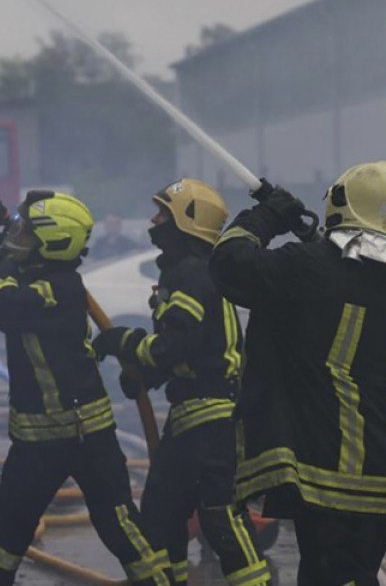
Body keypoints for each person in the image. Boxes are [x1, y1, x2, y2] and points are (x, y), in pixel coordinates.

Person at [209, 161, 386, 586]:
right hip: (382, 470)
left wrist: (267, 215)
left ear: (340, 203)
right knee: (352, 576)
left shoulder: (309, 267)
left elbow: (229, 263)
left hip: (330, 469)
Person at [0, 191, 172, 586]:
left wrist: (8, 257)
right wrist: (13, 232)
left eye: (28, 232)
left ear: (52, 243)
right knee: (7, 530)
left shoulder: (59, 287)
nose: (18, 236)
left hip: (84, 435)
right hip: (35, 442)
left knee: (118, 524)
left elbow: (2, 307)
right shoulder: (23, 277)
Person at [93, 179, 271, 586]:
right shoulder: (187, 272)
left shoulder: (192, 273)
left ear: (187, 221)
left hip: (214, 419)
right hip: (193, 416)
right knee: (161, 514)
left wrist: (122, 341)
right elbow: (193, 347)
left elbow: (174, 346)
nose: (154, 220)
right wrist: (147, 377)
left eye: (163, 213)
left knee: (219, 514)